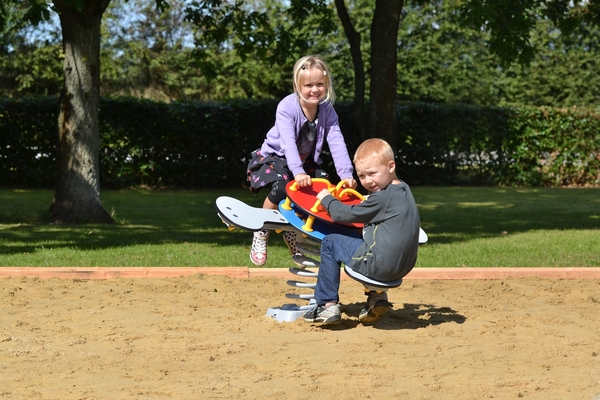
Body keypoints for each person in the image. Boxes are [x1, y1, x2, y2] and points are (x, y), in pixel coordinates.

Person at [246, 55, 357, 266]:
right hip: (276, 157)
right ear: (297, 85)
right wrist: (297, 171)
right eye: (308, 85)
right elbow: (288, 143)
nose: (314, 90)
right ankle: (261, 230)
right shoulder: (287, 107)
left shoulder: (327, 110)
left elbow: (337, 143)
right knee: (282, 187)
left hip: (305, 162)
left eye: (319, 84)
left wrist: (347, 175)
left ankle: (294, 234)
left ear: (326, 84)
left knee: (323, 187)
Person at [302, 138, 421, 324]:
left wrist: (327, 199)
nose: (368, 181)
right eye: (362, 176)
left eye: (372, 173)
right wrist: (368, 200)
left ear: (391, 166)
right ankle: (378, 298)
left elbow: (343, 215)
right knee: (364, 239)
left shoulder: (382, 198)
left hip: (379, 265)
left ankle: (326, 305)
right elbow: (381, 206)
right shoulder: (403, 189)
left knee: (331, 242)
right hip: (403, 267)